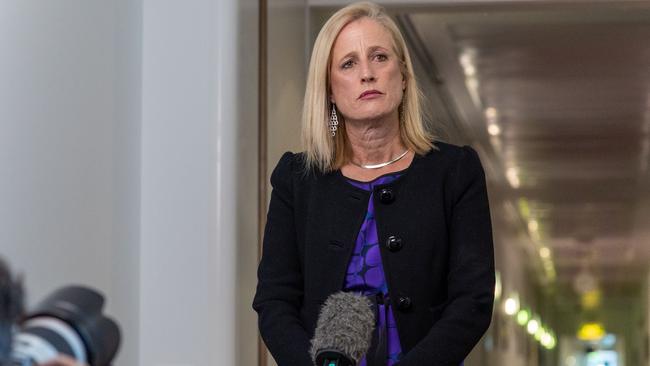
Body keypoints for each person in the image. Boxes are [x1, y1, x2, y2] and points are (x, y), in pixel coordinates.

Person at [252, 2, 495, 365]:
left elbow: (472, 299)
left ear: (404, 76)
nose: (367, 73)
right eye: (348, 63)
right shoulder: (296, 179)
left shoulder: (454, 171)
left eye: (379, 57)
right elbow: (274, 300)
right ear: (330, 90)